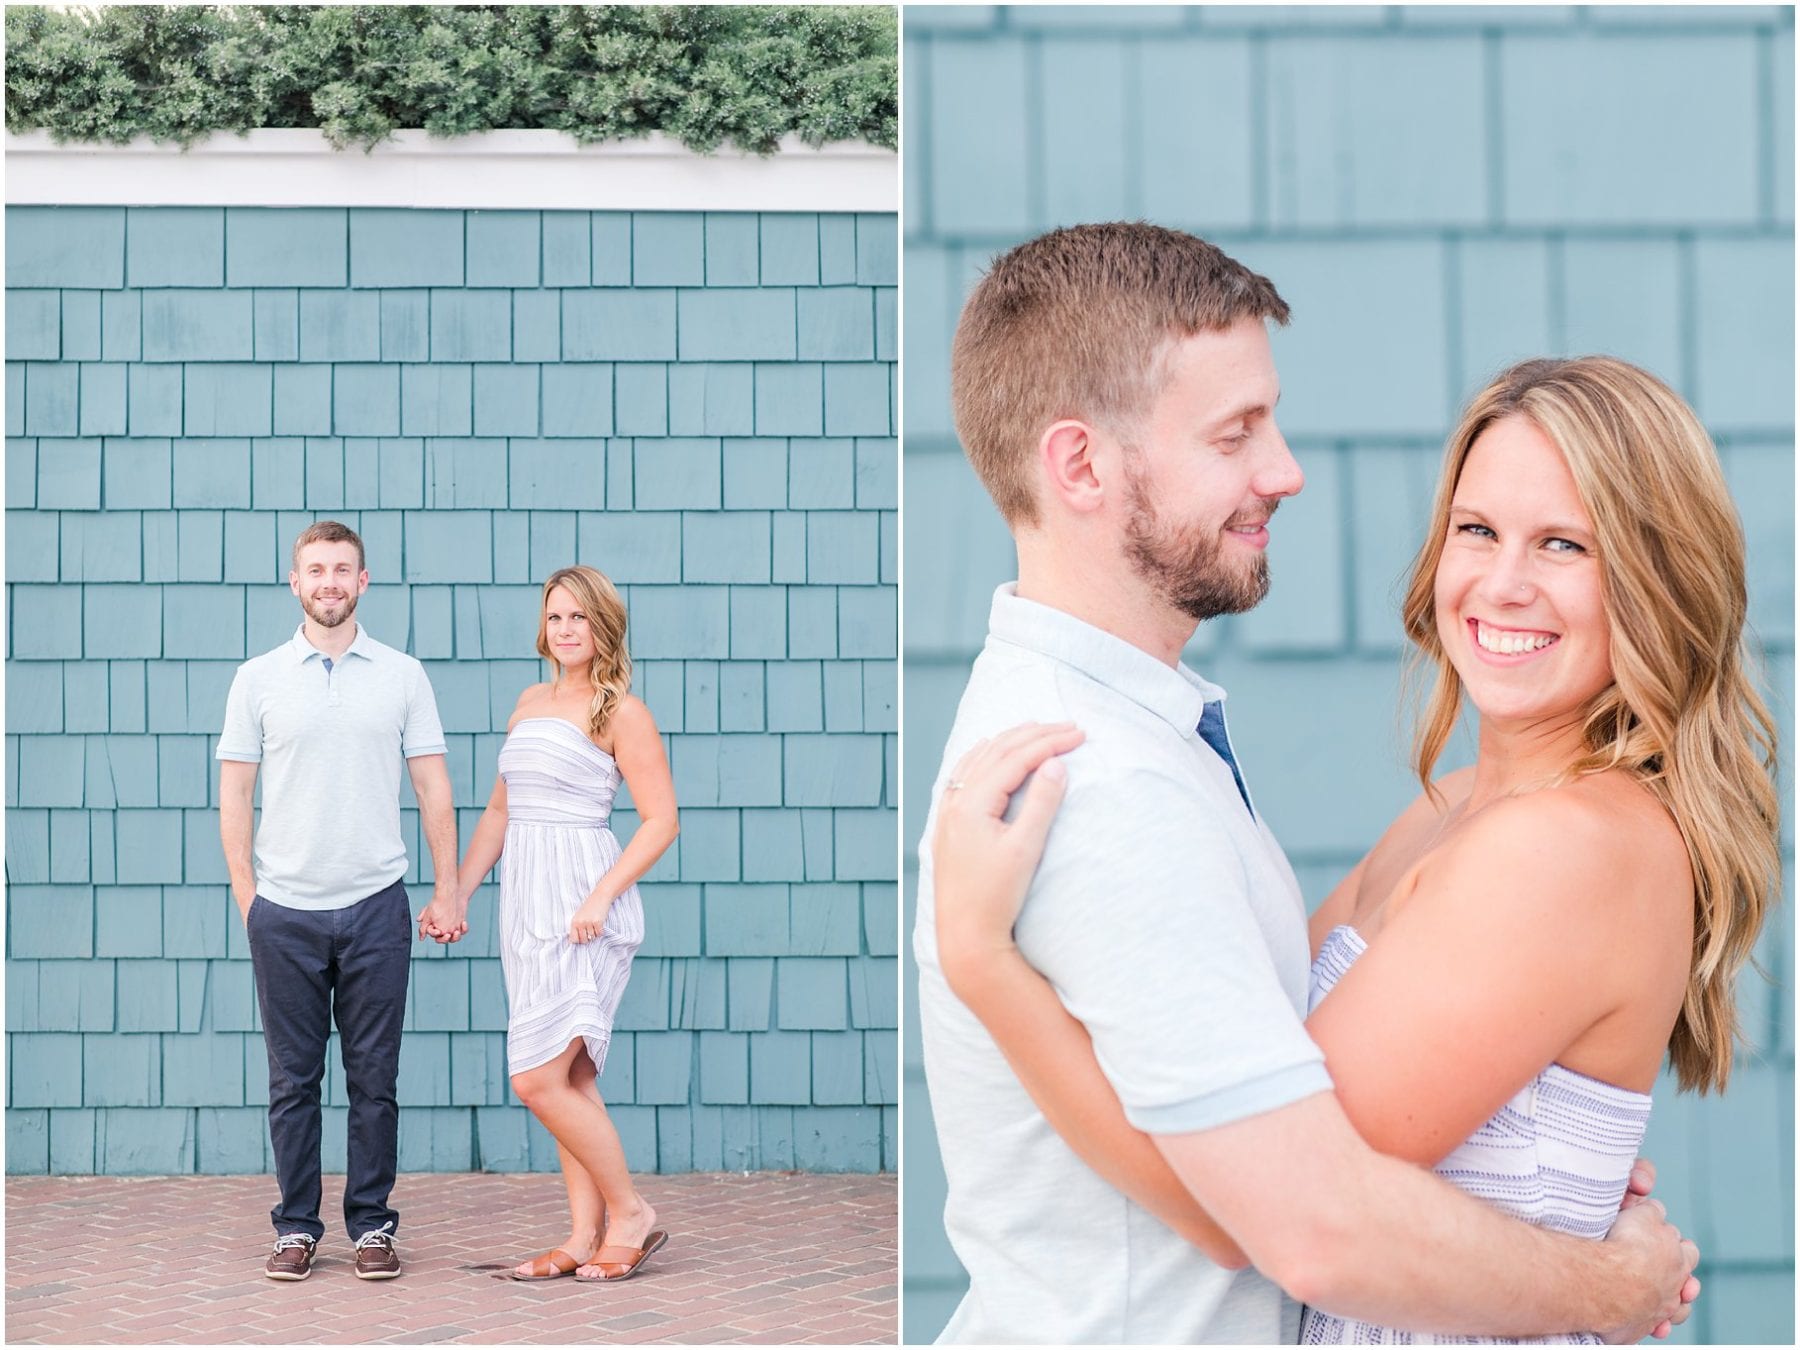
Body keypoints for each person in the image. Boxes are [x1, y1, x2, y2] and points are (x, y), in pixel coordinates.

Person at [912, 224, 1706, 1344]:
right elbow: (1300, 1214)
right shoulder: (1111, 778)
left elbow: (1296, 1190)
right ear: (1081, 464)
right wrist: (1602, 1281)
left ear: (1656, 580)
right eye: (1477, 529)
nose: (1285, 470)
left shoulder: (1566, 841)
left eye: (1566, 545)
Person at [219, 519, 462, 1281]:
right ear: (295, 582)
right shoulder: (257, 678)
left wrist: (447, 886)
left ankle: (371, 1226)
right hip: (284, 910)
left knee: (373, 1078)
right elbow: (234, 794)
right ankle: (296, 1226)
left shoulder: (401, 674)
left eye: (342, 569)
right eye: (315, 569)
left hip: (375, 905)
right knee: (293, 1081)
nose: (328, 581)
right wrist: (249, 899)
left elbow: (433, 789)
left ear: (364, 582)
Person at [424, 564, 678, 1283]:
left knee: (536, 1079)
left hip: (583, 907)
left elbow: (662, 821)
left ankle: (630, 1212)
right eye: (557, 617)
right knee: (565, 1077)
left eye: (581, 619)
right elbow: (500, 814)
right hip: (524, 904)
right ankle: (580, 1234)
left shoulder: (620, 710)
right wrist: (456, 894)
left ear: (605, 628)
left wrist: (600, 896)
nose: (567, 630)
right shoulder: (529, 702)